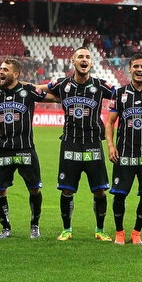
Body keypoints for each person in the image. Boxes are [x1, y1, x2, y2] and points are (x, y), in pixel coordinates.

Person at [0, 58, 49, 239]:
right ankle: (5, 227)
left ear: (16, 74)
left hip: (25, 148)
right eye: (0, 69)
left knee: (34, 189)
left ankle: (35, 226)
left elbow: (52, 97)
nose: (1, 72)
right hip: (3, 149)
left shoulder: (28, 91)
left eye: (5, 69)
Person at [44, 47, 115, 241]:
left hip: (93, 144)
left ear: (91, 63)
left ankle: (100, 230)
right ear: (73, 62)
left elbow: (123, 93)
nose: (84, 60)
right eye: (80, 57)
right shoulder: (62, 84)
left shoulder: (101, 86)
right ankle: (66, 230)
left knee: (100, 190)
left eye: (88, 57)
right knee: (67, 189)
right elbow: (37, 89)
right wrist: (17, 84)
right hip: (70, 144)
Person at [105, 53, 142, 246]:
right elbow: (110, 122)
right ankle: (120, 232)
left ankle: (136, 232)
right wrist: (111, 146)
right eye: (136, 66)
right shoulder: (119, 93)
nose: (139, 70)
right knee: (120, 194)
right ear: (129, 69)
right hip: (124, 154)